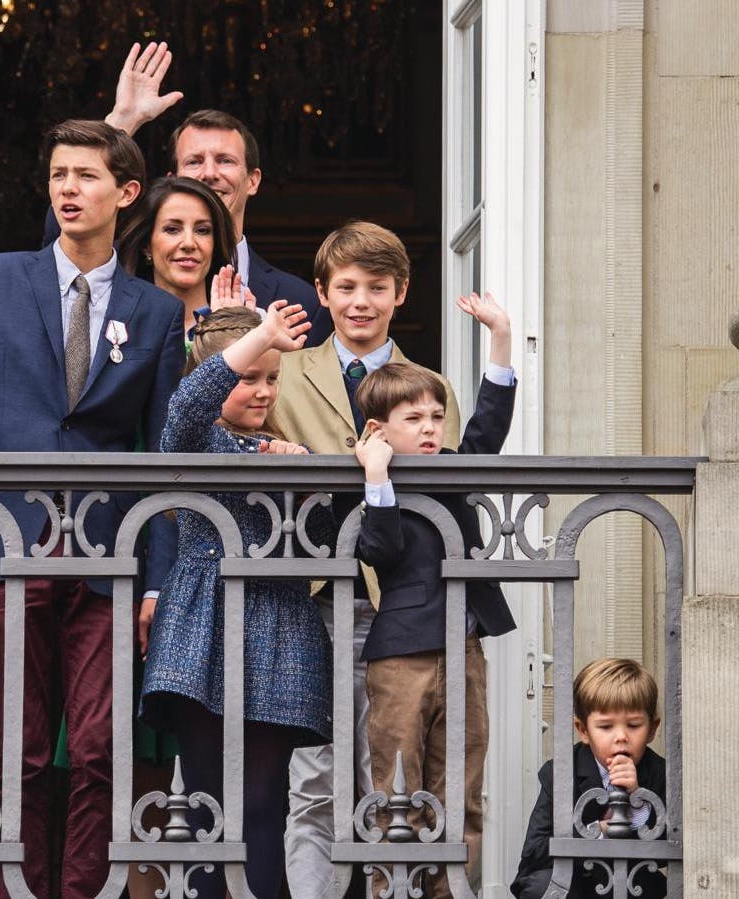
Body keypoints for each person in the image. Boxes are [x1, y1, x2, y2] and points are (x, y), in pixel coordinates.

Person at [0, 119, 183, 899]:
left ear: (126, 194)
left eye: (86, 176)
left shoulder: (156, 311)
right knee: (20, 750)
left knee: (101, 747)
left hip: (108, 555)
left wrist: (159, 575)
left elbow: (163, 456)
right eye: (59, 174)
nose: (68, 188)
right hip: (6, 541)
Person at [263, 220, 462, 899]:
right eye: (345, 287)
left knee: (396, 777)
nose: (360, 301)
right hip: (313, 598)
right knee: (314, 777)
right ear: (321, 292)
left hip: (401, 607)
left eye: (377, 287)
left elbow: (448, 495)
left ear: (400, 293)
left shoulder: (430, 386)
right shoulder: (284, 372)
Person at [143, 303, 329, 899]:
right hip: (204, 623)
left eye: (273, 378)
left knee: (264, 804)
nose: (263, 391)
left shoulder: (286, 449)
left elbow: (324, 544)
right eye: (251, 377)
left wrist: (306, 478)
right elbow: (187, 405)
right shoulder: (194, 438)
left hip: (279, 629)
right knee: (204, 803)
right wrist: (262, 337)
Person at [352, 291, 518, 898]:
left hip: (465, 647)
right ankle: (388, 890)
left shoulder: (455, 465)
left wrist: (499, 335)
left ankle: (453, 891)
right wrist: (376, 478)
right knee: (397, 792)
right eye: (413, 419)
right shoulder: (375, 481)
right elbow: (381, 551)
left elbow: (489, 424)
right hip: (402, 655)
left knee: (462, 790)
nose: (429, 430)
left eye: (435, 418)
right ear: (379, 429)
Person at [92, 41, 331, 345]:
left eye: (225, 161)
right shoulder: (119, 280)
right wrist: (122, 124)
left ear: (253, 181)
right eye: (194, 162)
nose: (209, 173)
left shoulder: (302, 302)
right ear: (173, 180)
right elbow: (64, 243)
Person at [512, 658, 668, 899]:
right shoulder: (561, 772)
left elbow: (671, 849)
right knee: (541, 885)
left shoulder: (659, 771)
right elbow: (535, 851)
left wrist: (638, 800)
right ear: (583, 730)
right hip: (573, 883)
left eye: (634, 725)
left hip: (631, 884)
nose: (621, 737)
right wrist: (599, 831)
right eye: (606, 727)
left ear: (652, 729)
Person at [117, 175, 253, 341]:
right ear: (147, 246)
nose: (189, 243)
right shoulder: (117, 328)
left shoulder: (251, 330)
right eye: (172, 229)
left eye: (202, 230)